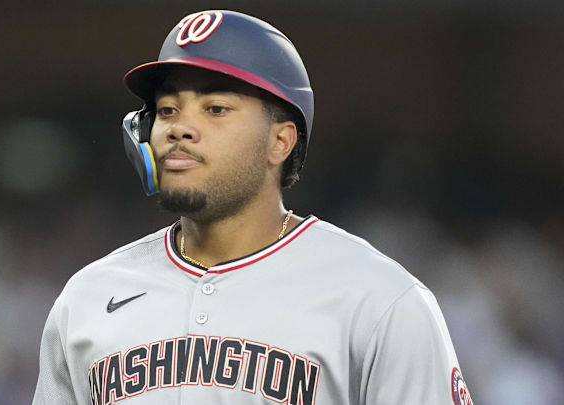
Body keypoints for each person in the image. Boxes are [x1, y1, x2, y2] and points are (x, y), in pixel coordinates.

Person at [33, 10, 473, 405]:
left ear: (280, 141)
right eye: (167, 110)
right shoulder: (87, 298)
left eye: (216, 108)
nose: (180, 128)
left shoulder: (379, 300)